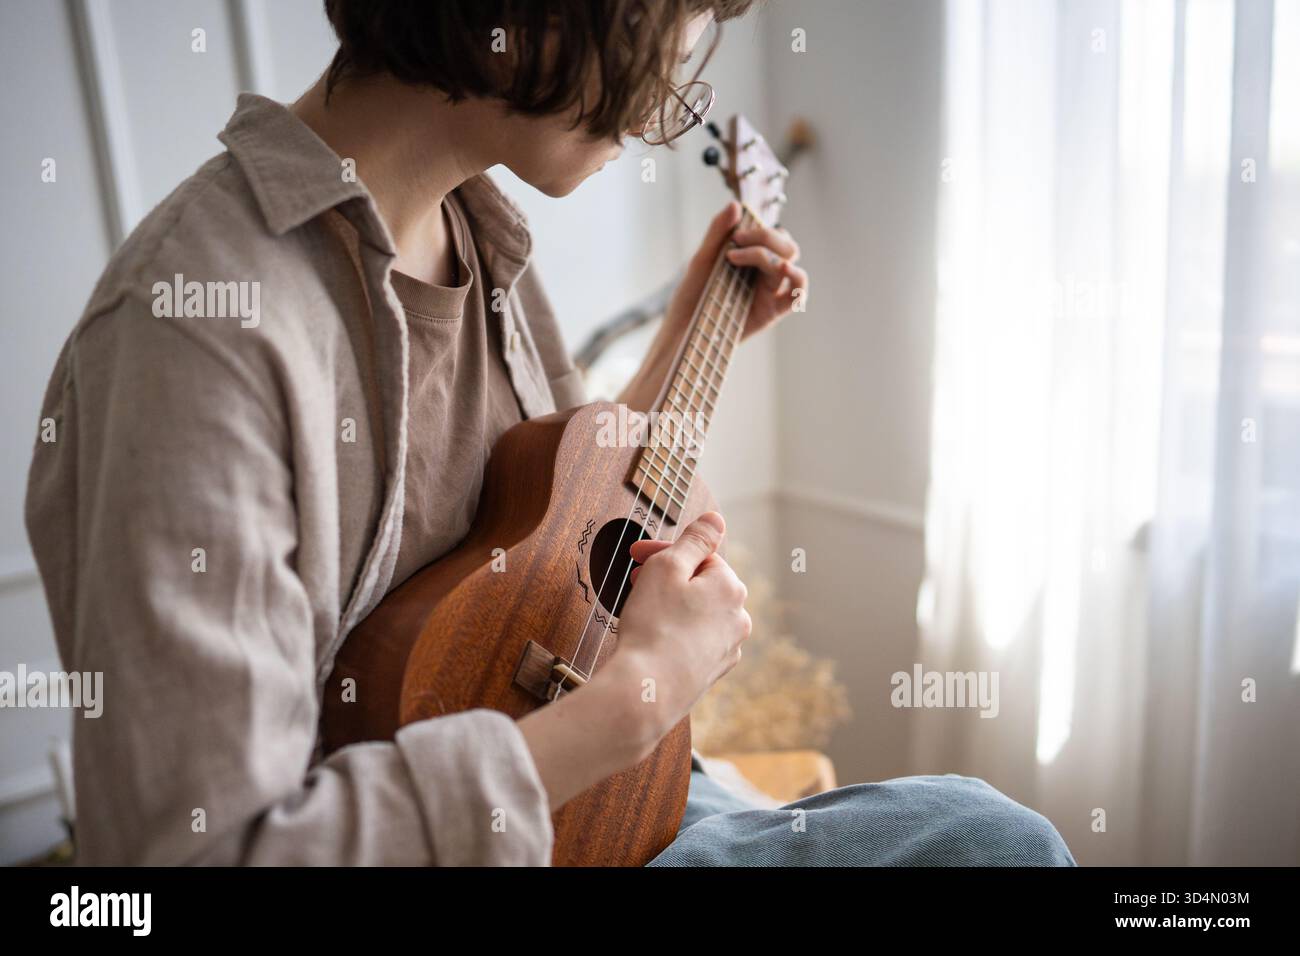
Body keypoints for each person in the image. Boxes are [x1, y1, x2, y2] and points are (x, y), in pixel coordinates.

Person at [25, 0, 1073, 866]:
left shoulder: (473, 228)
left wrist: (695, 326)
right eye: (682, 21)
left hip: (607, 807)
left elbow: (569, 513)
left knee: (985, 834)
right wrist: (637, 697)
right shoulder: (195, 330)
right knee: (996, 847)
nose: (673, 88)